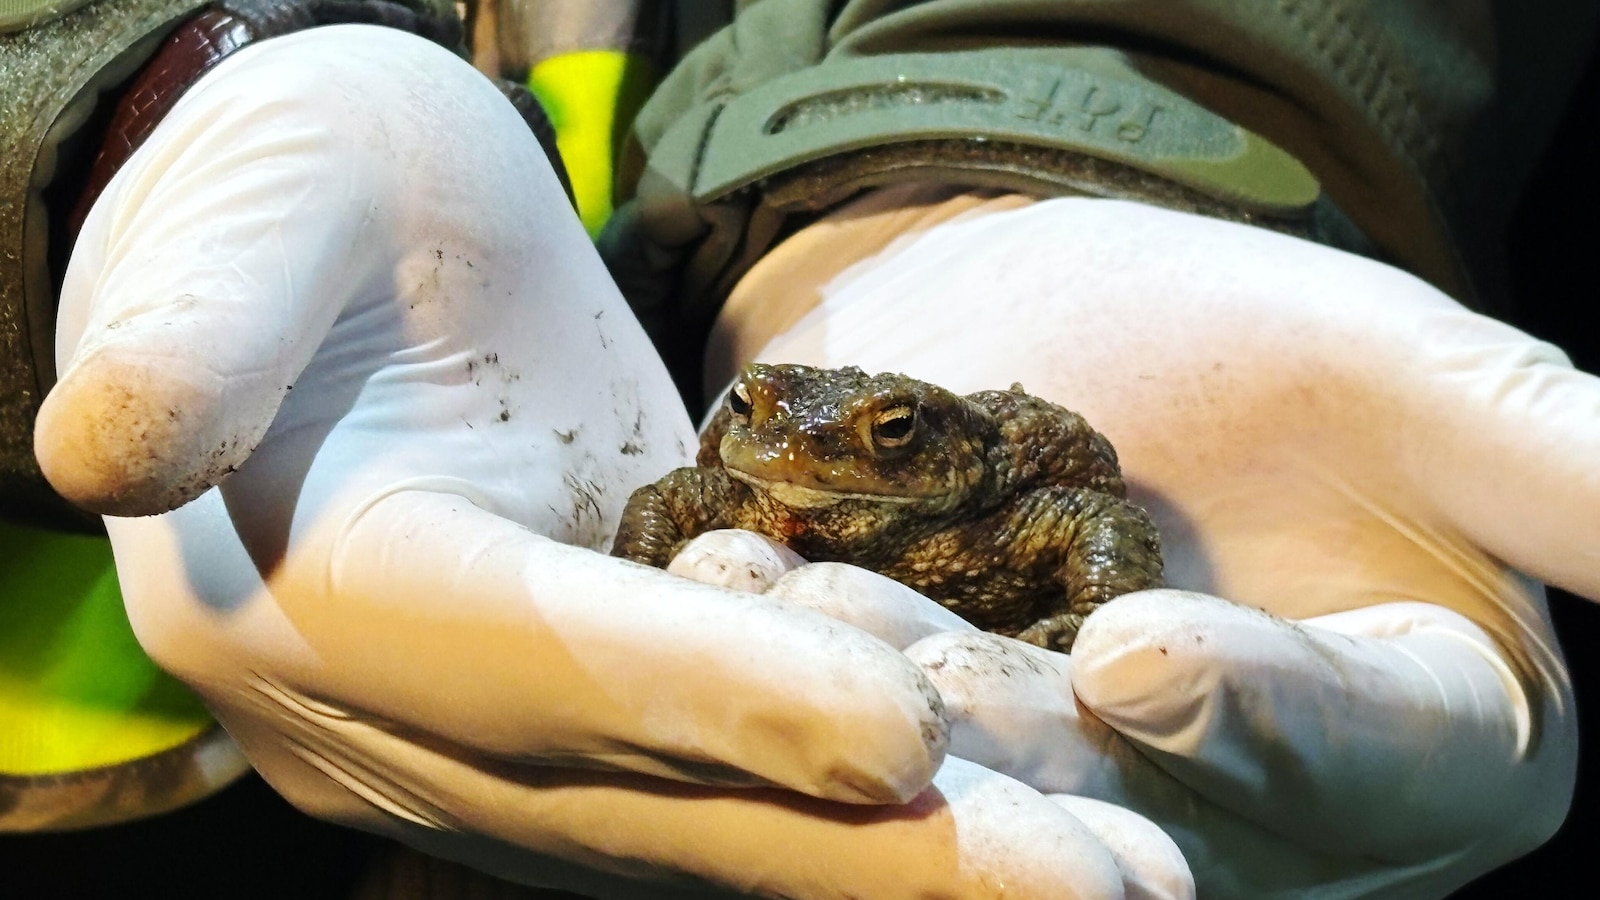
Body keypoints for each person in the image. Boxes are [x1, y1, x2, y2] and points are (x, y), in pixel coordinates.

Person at [3, 0, 1598, 897]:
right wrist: (143, 106)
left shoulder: (989, 485)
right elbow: (688, 488)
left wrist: (1004, 145)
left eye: (877, 438)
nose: (804, 454)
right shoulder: (757, 459)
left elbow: (1085, 516)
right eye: (776, 431)